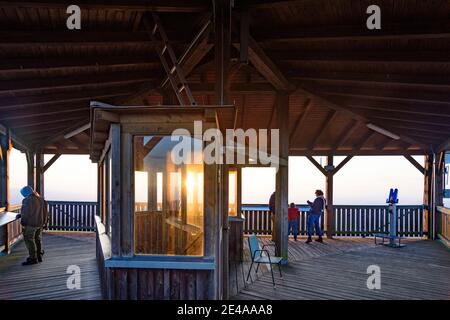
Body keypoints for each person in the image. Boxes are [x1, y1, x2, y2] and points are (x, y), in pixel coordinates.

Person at [16, 186, 48, 265]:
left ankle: (33, 258)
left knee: (29, 240)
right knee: (37, 239)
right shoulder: (41, 199)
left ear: (25, 193)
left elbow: (26, 213)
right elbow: (45, 213)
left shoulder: (27, 200)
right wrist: (45, 222)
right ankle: (39, 254)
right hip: (40, 223)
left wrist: (23, 222)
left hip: (30, 224)